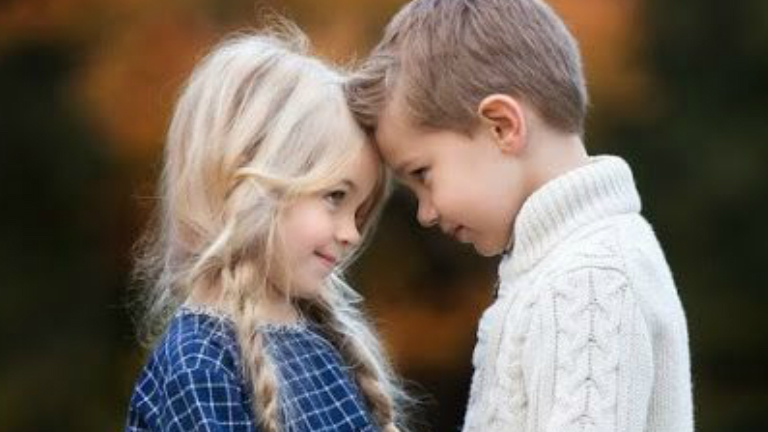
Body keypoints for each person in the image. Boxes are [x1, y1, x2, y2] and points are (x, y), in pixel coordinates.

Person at [345, 1, 693, 431]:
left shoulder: (590, 278)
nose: (425, 213)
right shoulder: (557, 266)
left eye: (422, 174)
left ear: (502, 126)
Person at [125, 25, 410, 432]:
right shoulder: (200, 363)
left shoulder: (324, 342)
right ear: (247, 186)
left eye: (359, 211)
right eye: (335, 197)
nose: (352, 233)